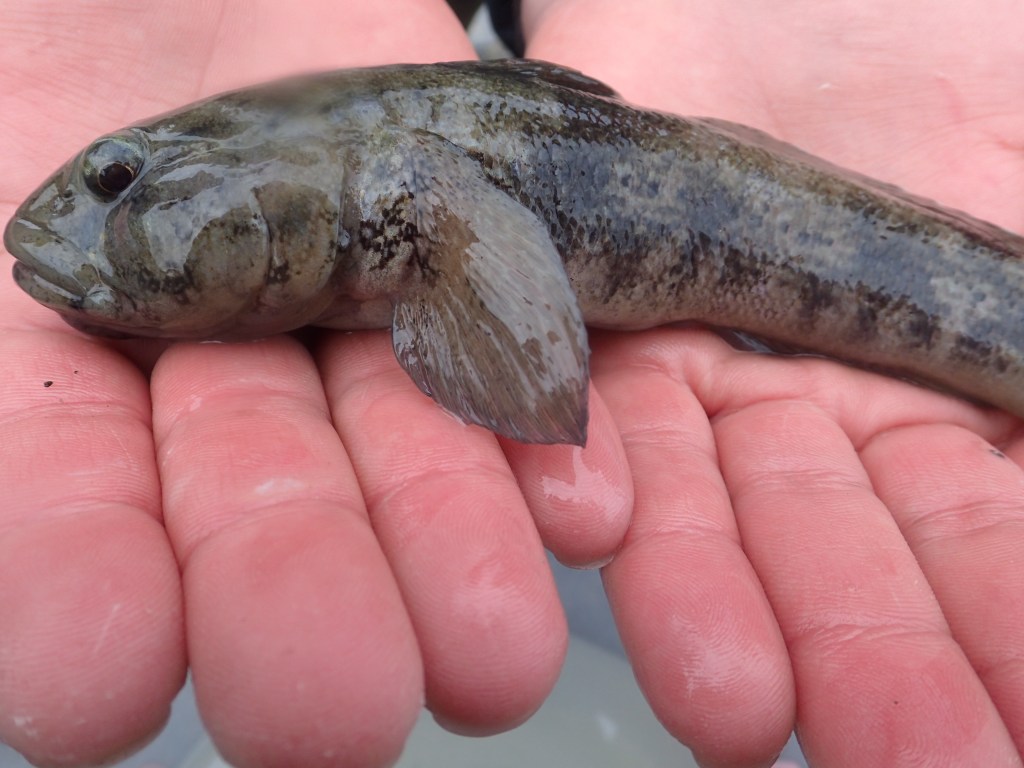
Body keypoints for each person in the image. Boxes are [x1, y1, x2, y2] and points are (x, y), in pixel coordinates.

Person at [1, 1, 1021, 766]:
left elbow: (509, 347)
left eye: (120, 181)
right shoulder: (366, 164)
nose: (94, 212)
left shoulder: (401, 176)